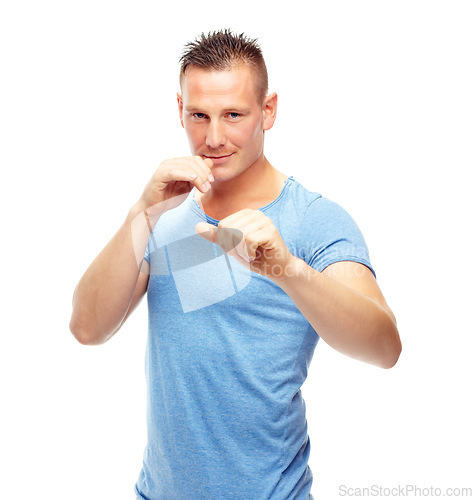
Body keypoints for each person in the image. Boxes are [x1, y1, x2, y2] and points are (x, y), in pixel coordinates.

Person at [70, 29, 401, 500]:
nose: (213, 137)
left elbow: (385, 346)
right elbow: (87, 327)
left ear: (268, 111)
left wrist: (285, 268)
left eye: (234, 115)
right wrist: (140, 211)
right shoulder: (162, 217)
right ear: (179, 110)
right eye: (198, 115)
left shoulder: (312, 220)